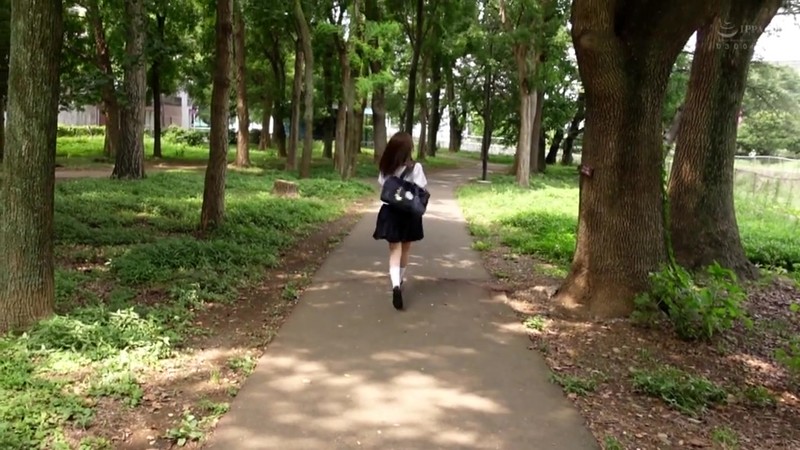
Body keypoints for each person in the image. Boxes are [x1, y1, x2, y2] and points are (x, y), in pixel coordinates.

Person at [373, 131, 428, 310]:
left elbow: (383, 185)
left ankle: (395, 284)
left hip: (391, 212)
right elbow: (421, 188)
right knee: (405, 249)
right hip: (409, 214)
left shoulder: (386, 167)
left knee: (394, 250)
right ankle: (401, 280)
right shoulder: (415, 168)